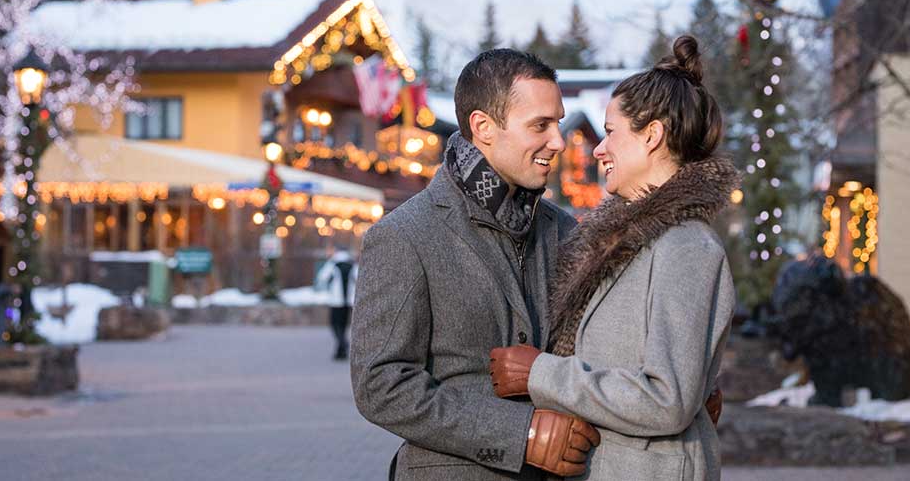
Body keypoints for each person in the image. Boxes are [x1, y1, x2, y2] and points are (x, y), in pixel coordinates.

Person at [490, 35, 737, 480]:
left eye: (611, 132)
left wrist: (541, 375)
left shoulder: (685, 248)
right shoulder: (625, 242)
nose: (599, 149)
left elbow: (667, 399)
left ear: (652, 136)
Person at [350, 49, 601, 480]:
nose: (558, 141)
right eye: (540, 125)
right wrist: (520, 434)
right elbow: (381, 384)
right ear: (483, 127)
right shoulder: (404, 236)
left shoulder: (563, 230)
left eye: (557, 123)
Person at [314, 249, 358, 360]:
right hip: (349, 301)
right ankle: (341, 349)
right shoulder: (352, 265)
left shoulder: (333, 264)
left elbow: (322, 277)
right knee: (344, 325)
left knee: (335, 325)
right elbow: (359, 279)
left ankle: (342, 343)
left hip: (336, 301)